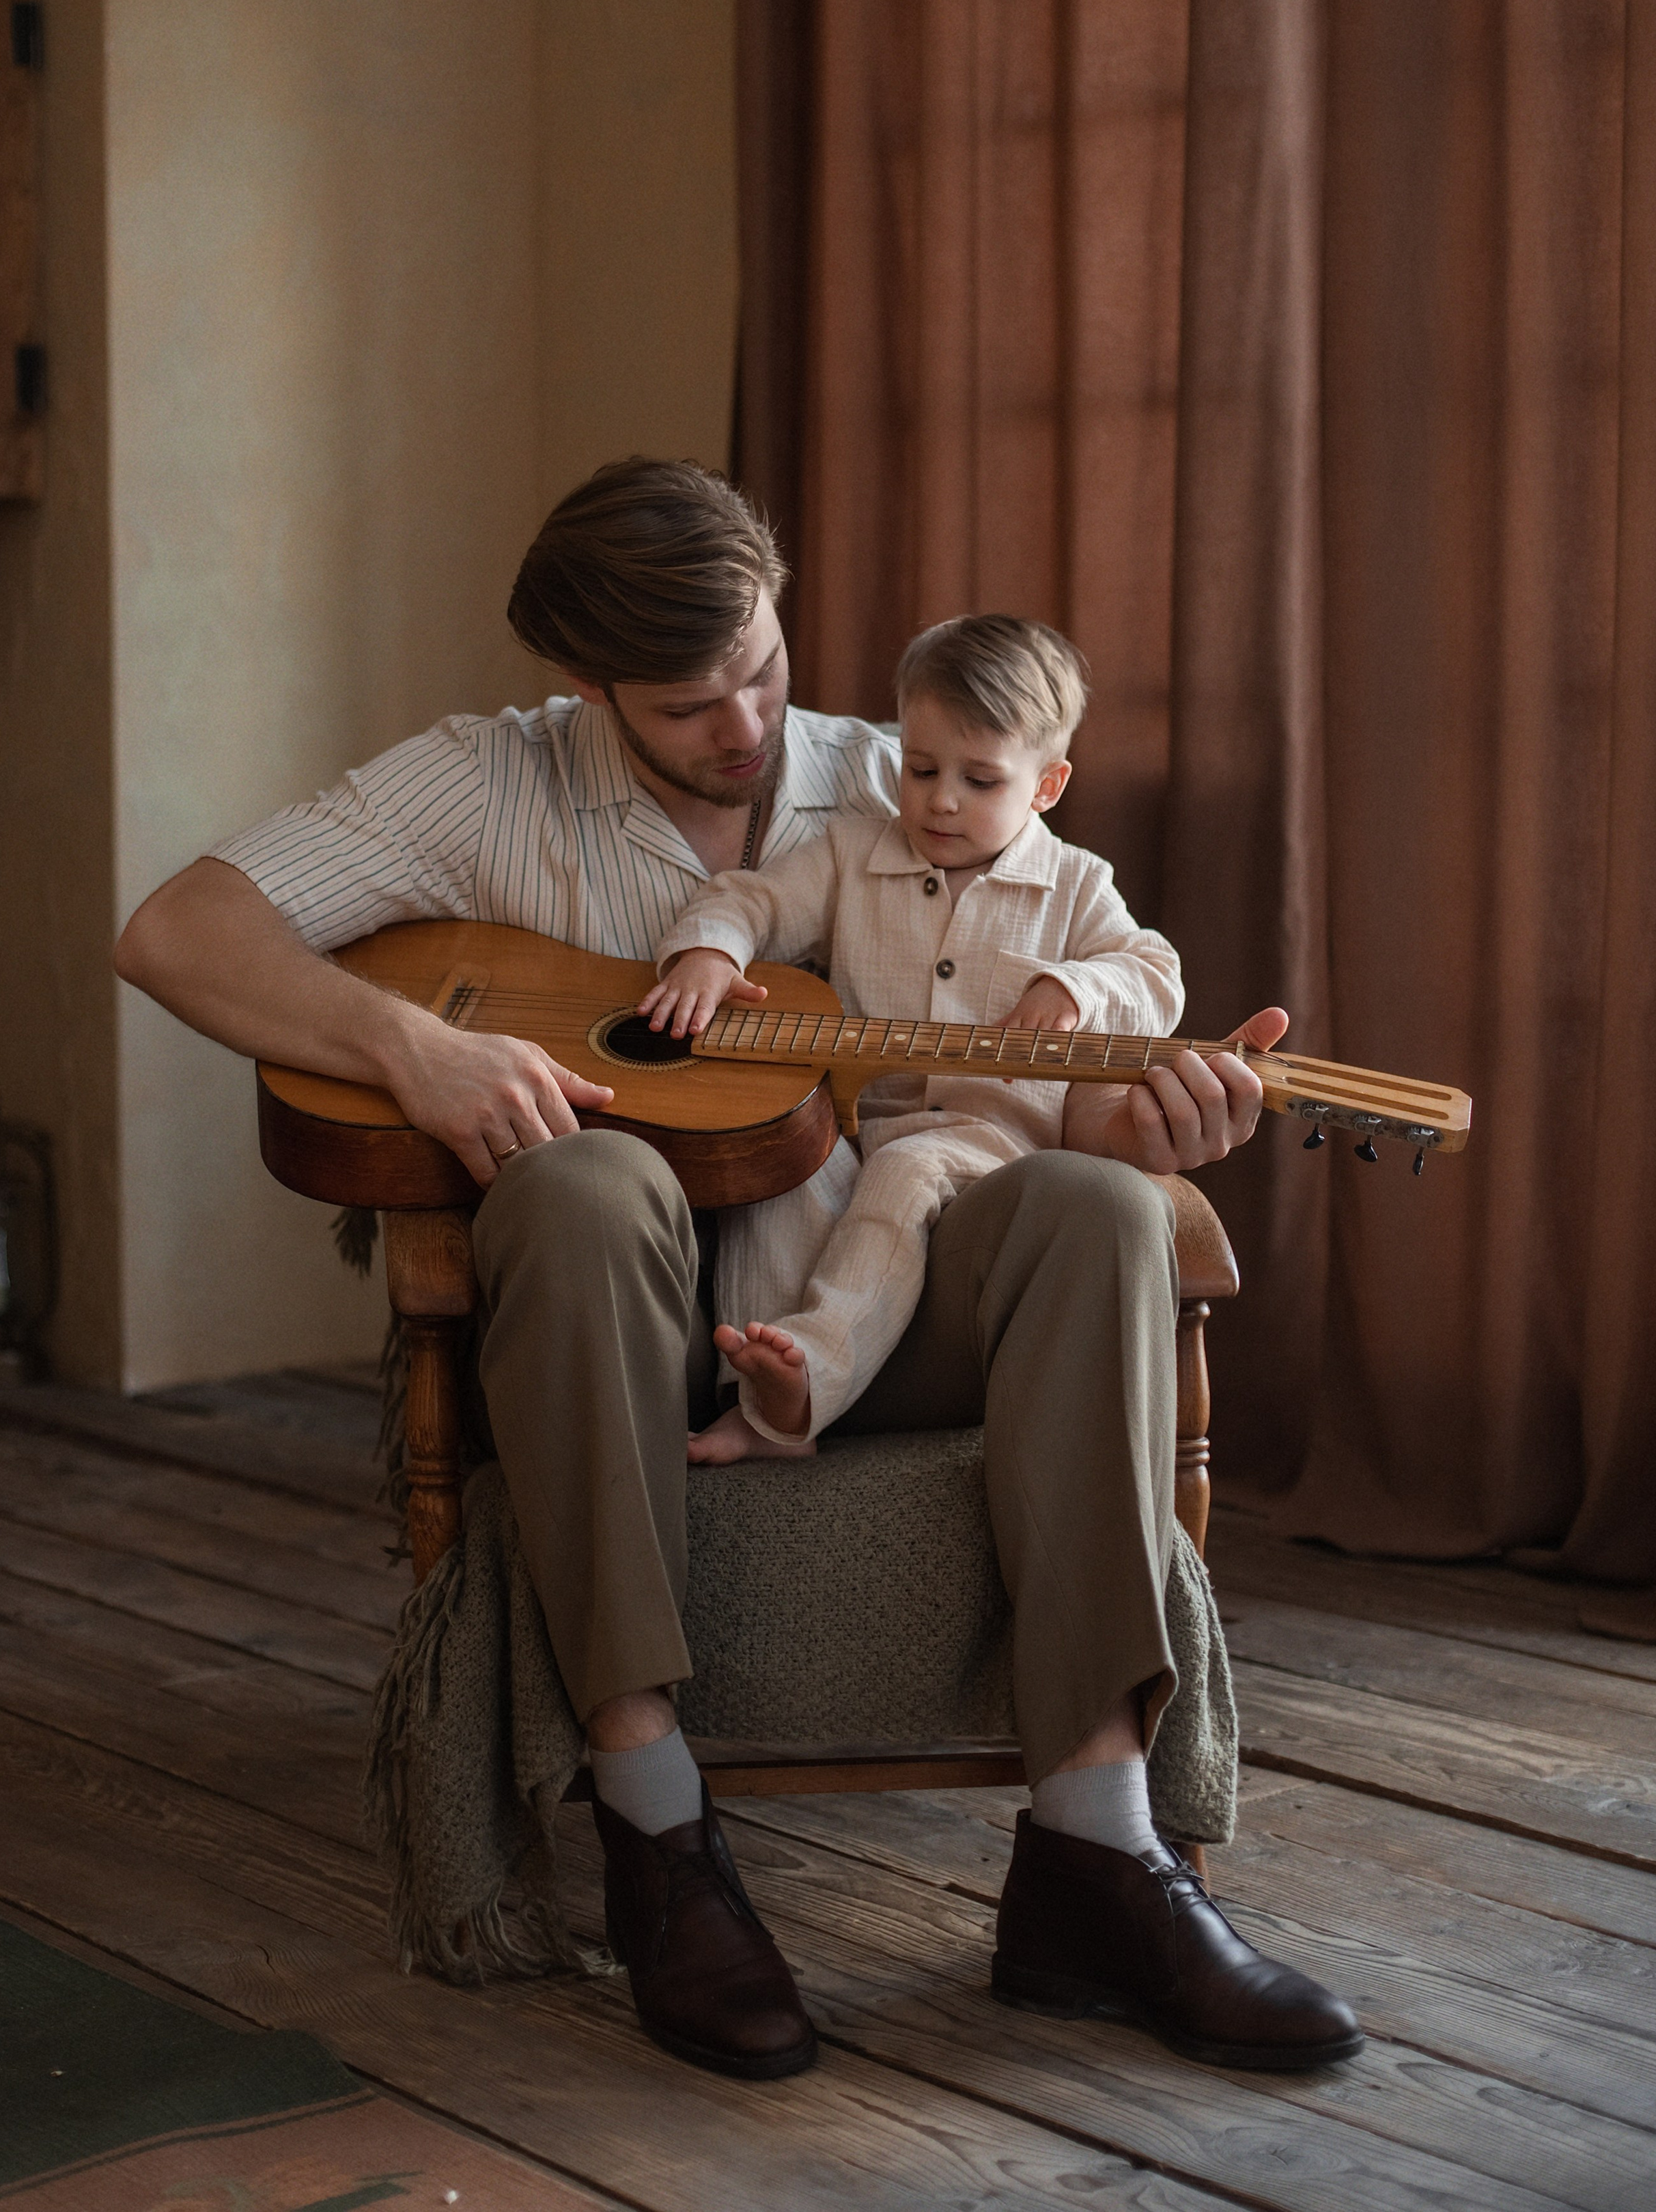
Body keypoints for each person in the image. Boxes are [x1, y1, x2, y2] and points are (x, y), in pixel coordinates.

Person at [115, 456, 1360, 2082]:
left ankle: (1094, 1853)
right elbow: (176, 929)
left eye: (763, 667)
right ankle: (655, 1827)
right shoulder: (479, 787)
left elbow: (1025, 1087)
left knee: (1096, 1213)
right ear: (584, 685)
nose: (749, 724)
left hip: (877, 1296)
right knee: (577, 1180)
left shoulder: (902, 774)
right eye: (694, 702)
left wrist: (1144, 1123)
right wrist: (412, 1049)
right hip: (615, 1339)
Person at [643, 613, 1183, 1466]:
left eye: (979, 779)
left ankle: (803, 1386)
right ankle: (763, 1382)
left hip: (988, 1151)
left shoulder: (1076, 884)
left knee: (911, 1165)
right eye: (921, 768)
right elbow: (751, 899)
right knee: (782, 1164)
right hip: (857, 1130)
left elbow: (1154, 971)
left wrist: (1076, 985)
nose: (939, 799)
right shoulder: (852, 852)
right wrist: (711, 950)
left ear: (1046, 786)